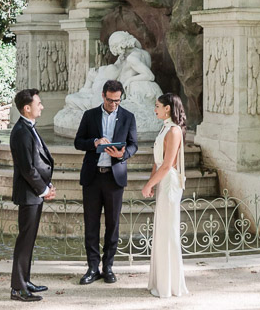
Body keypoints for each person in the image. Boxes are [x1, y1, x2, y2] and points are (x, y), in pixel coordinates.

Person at [74, 79, 138, 285]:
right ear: (103, 96)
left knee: (113, 225)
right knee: (91, 224)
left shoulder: (128, 116)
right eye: (110, 100)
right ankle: (92, 268)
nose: (114, 104)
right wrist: (94, 143)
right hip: (92, 177)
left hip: (114, 178)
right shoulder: (89, 115)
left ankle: (108, 267)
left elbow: (134, 145)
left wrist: (123, 153)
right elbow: (78, 142)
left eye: (117, 101)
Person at [9, 88, 56, 302]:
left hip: (34, 193)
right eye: (39, 103)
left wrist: (46, 185)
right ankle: (18, 289)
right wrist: (44, 190)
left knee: (29, 240)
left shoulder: (28, 128)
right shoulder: (20, 131)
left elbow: (38, 162)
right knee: (24, 240)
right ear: (27, 108)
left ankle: (24, 281)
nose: (42, 106)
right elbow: (27, 168)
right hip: (29, 194)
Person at [141, 92, 188, 298]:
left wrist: (150, 184)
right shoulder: (165, 128)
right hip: (162, 180)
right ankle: (161, 282)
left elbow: (168, 164)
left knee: (168, 232)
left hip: (169, 182)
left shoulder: (174, 130)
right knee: (161, 231)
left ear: (168, 108)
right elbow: (157, 161)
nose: (155, 109)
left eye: (158, 106)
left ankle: (170, 285)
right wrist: (151, 183)